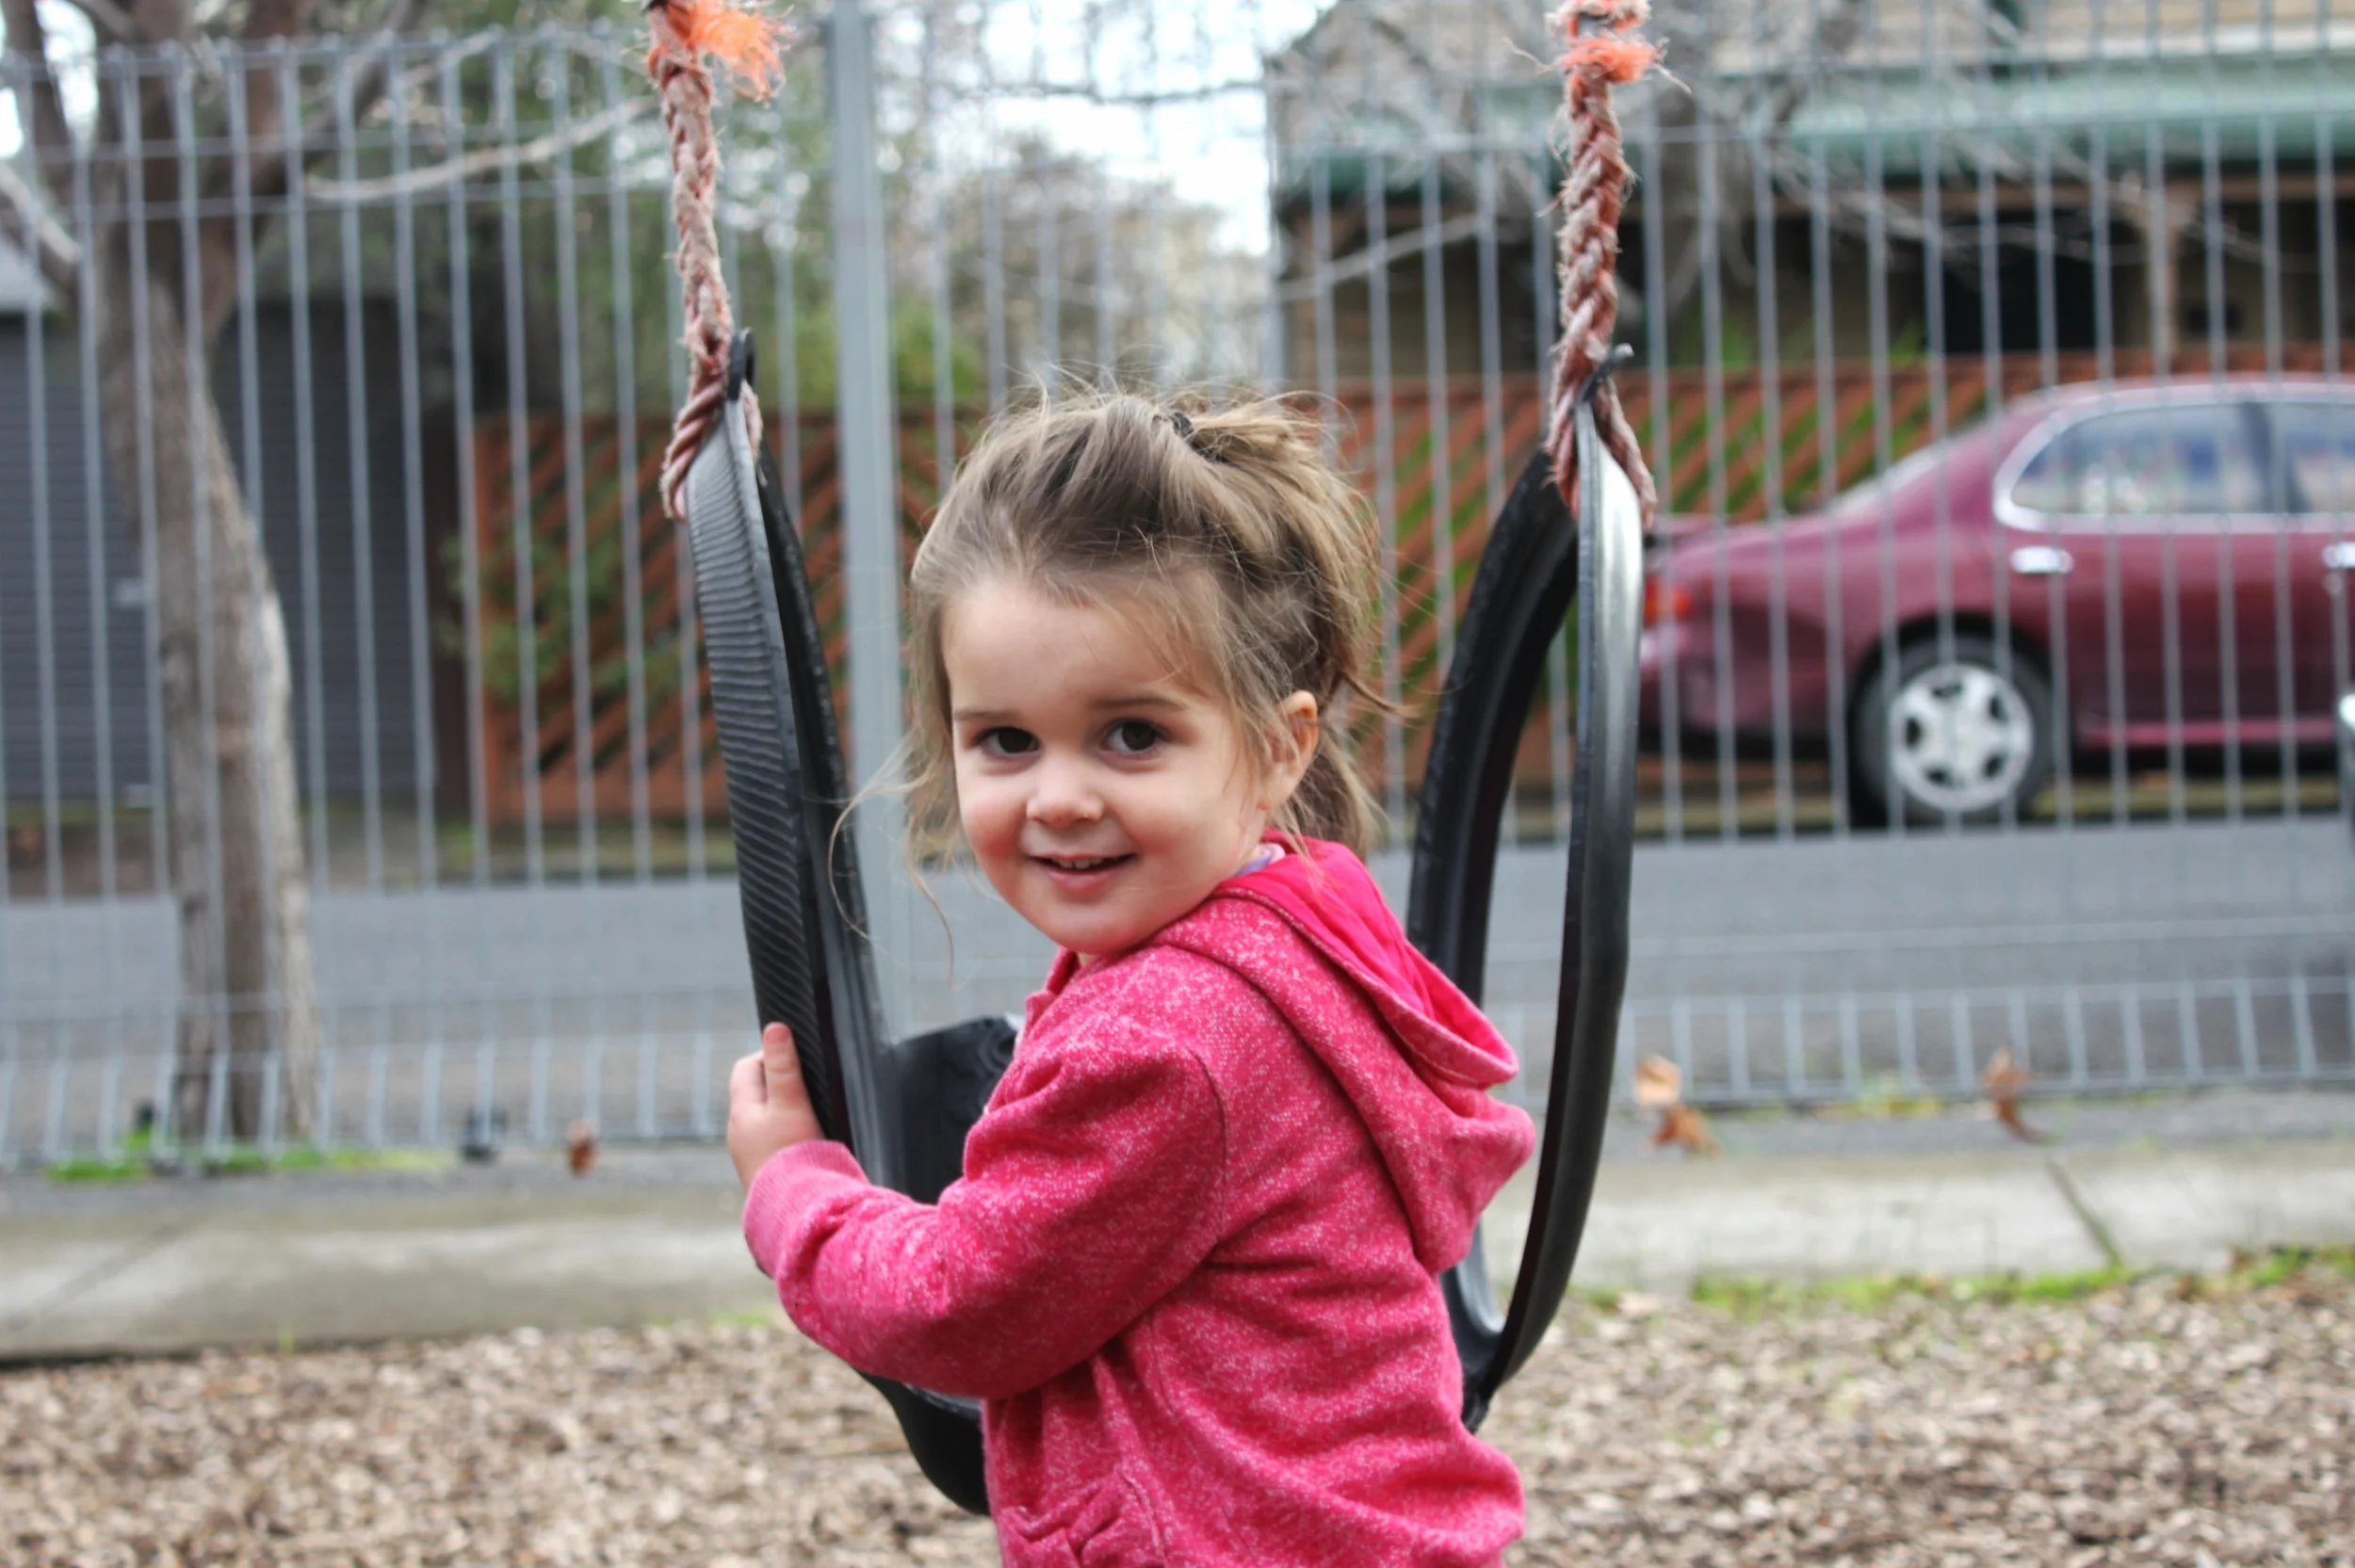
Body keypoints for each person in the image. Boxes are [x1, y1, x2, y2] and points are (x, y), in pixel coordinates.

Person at [725, 394, 1535, 1566]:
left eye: (1131, 736)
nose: (1058, 797)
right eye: (1006, 740)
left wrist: (795, 1191)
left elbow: (960, 1307)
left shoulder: (1170, 1042)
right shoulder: (1295, 920)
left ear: (1278, 747)